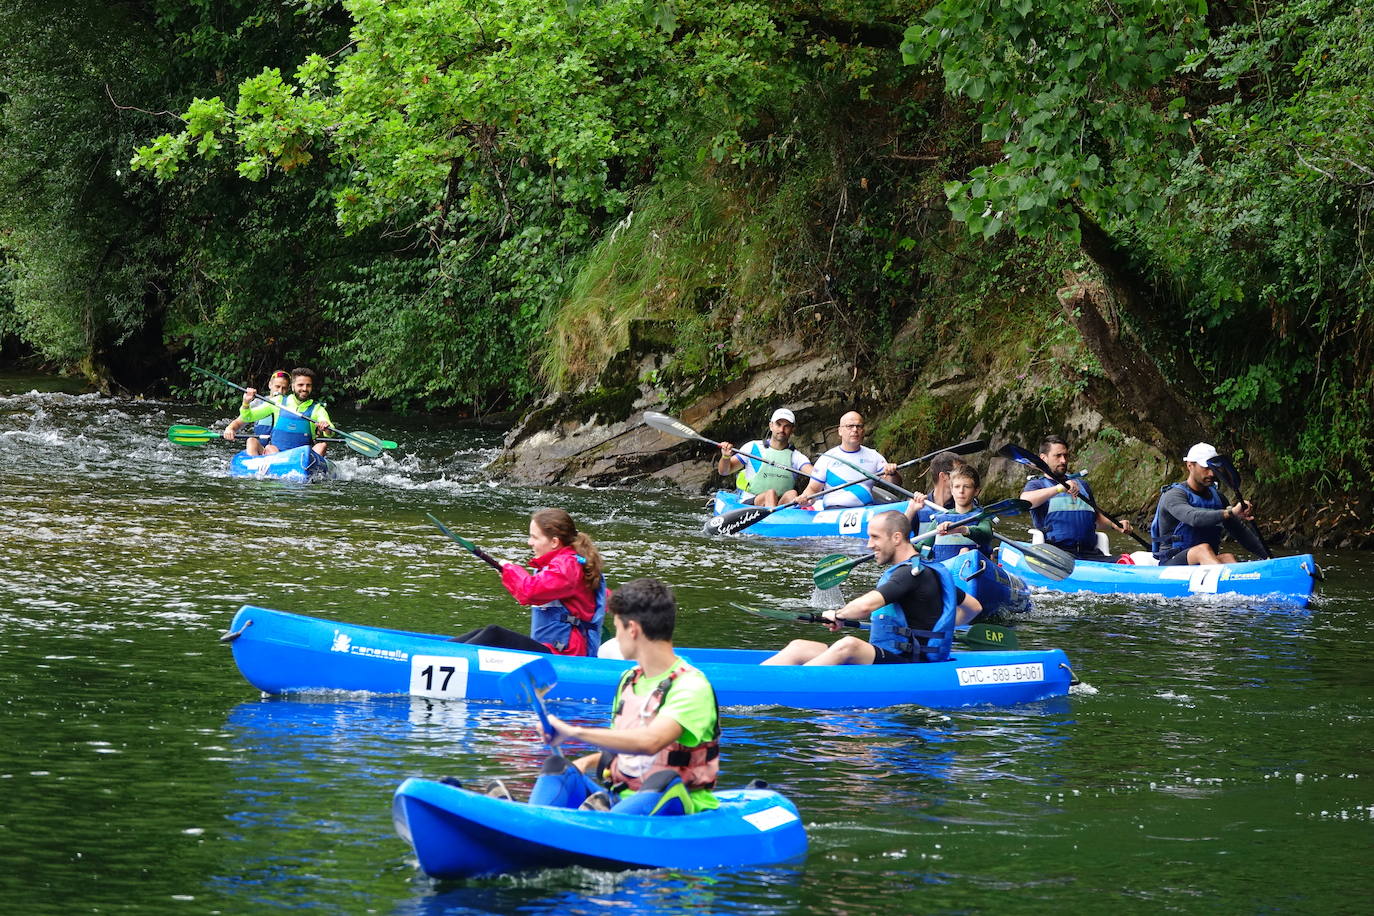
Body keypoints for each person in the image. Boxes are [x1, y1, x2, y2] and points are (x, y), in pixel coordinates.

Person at [519, 578, 720, 816]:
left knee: (664, 781)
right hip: (620, 800)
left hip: (676, 805)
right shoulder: (629, 679)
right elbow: (626, 747)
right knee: (558, 768)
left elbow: (649, 743)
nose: (615, 637)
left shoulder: (691, 686)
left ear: (632, 629)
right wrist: (585, 762)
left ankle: (596, 824)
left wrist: (573, 733)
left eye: (617, 627)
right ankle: (529, 824)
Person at [761, 511, 981, 666]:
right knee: (800, 646)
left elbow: (866, 605)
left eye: (875, 537)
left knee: (848, 645)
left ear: (896, 538)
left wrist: (838, 614)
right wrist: (940, 629)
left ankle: (790, 686)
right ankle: (757, 680)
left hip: (909, 663)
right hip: (891, 655)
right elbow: (974, 607)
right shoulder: (928, 569)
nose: (869, 544)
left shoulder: (908, 575)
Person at [451, 509, 608, 656]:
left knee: (494, 634)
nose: (529, 542)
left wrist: (510, 569)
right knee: (481, 632)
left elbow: (531, 591)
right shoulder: (562, 564)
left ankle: (450, 659)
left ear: (554, 542)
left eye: (534, 537)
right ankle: (442, 653)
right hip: (553, 649)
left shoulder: (567, 566)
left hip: (565, 655)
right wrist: (508, 574)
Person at [1018, 435, 1132, 559]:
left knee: (1132, 560)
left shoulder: (1082, 485)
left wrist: (1115, 524)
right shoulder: (1036, 485)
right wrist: (1059, 488)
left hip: (1090, 554)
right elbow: (1025, 501)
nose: (1063, 461)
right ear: (1043, 458)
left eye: (1066, 456)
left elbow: (1097, 519)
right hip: (1055, 556)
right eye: (1058, 456)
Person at [1150, 443, 1264, 565]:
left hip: (1205, 563)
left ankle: (1239, 583)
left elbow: (1240, 533)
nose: (1212, 473)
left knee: (1227, 558)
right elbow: (1193, 517)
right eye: (1206, 468)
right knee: (1202, 550)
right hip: (1171, 564)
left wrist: (1268, 557)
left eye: (1213, 468)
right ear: (1190, 466)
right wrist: (1231, 512)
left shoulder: (1218, 497)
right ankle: (1224, 581)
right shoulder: (1173, 495)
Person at [796, 411, 901, 508]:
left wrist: (892, 473)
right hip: (834, 511)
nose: (855, 430)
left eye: (859, 426)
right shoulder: (827, 458)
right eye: (850, 426)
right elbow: (813, 489)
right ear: (840, 431)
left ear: (863, 431)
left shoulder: (873, 456)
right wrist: (806, 498)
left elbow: (895, 484)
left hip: (866, 511)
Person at [716, 408, 815, 507]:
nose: (782, 430)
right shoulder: (752, 447)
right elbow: (724, 471)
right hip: (749, 504)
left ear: (793, 429)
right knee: (770, 494)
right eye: (778, 424)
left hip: (779, 506)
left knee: (792, 494)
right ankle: (773, 518)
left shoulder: (796, 457)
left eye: (787, 426)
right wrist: (725, 457)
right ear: (771, 426)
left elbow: (816, 475)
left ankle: (778, 519)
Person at [236, 367, 334, 457]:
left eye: (308, 385)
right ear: (292, 387)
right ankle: (254, 469)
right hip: (277, 454)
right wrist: (246, 403)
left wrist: (326, 428)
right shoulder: (278, 401)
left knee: (321, 446)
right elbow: (247, 417)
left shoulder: (317, 409)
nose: (304, 389)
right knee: (253, 442)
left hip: (302, 458)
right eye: (300, 385)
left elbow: (330, 431)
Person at [927, 465, 995, 562]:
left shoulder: (982, 517)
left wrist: (961, 529)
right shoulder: (940, 519)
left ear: (976, 491)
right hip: (944, 571)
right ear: (952, 490)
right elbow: (922, 546)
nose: (961, 491)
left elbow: (986, 534)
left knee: (965, 551)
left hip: (975, 571)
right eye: (957, 486)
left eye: (966, 487)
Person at [903, 450, 968, 536]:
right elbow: (897, 536)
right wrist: (910, 511)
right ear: (943, 476)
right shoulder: (919, 506)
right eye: (958, 473)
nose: (965, 477)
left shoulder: (965, 501)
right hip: (924, 548)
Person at [222, 370, 289, 451]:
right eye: (277, 386)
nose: (280, 391)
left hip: (279, 449)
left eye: (284, 388)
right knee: (251, 441)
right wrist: (230, 429)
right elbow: (239, 422)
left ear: (288, 389)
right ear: (270, 385)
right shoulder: (258, 403)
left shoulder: (289, 405)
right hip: (260, 447)